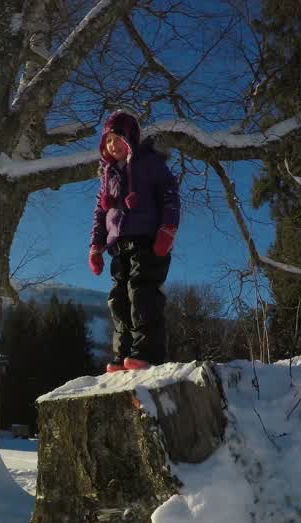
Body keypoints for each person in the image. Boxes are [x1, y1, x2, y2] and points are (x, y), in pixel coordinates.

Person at [88, 110, 180, 372]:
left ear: (130, 138)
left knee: (141, 294)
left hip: (148, 243)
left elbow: (170, 193)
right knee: (118, 300)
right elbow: (100, 213)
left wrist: (168, 229)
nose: (112, 144)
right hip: (118, 247)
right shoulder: (108, 176)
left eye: (117, 138)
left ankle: (146, 352)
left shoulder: (148, 163)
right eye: (107, 140)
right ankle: (123, 354)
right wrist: (96, 246)